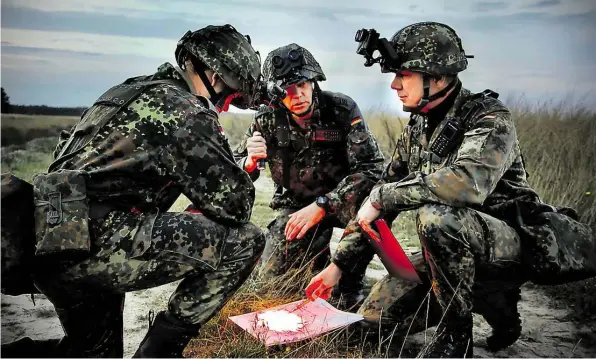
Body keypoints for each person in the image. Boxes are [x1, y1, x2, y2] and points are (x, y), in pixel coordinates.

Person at [304, 21, 595, 358]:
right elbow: (382, 191)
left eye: (404, 75)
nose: (395, 85)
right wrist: (339, 265)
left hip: (509, 242)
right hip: (449, 253)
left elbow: (467, 182)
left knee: (437, 217)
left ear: (438, 77)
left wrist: (383, 196)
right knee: (373, 323)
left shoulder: (489, 116)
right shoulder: (419, 127)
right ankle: (496, 303)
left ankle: (456, 340)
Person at [3, 24, 265, 358]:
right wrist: (246, 164)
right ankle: (159, 353)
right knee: (244, 241)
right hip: (98, 243)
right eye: (230, 97)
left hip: (55, 241)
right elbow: (236, 206)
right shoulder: (185, 109)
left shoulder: (127, 91)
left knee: (92, 354)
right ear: (215, 76)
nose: (227, 107)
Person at [234, 43, 385, 309]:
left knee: (372, 222)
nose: (298, 94)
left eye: (302, 84)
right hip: (297, 208)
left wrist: (324, 204)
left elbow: (371, 168)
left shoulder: (341, 109)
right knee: (273, 284)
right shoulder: (266, 119)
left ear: (313, 81)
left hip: (344, 203)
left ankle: (350, 280)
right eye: (287, 90)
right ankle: (316, 258)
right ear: (276, 95)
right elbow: (236, 169)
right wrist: (248, 162)